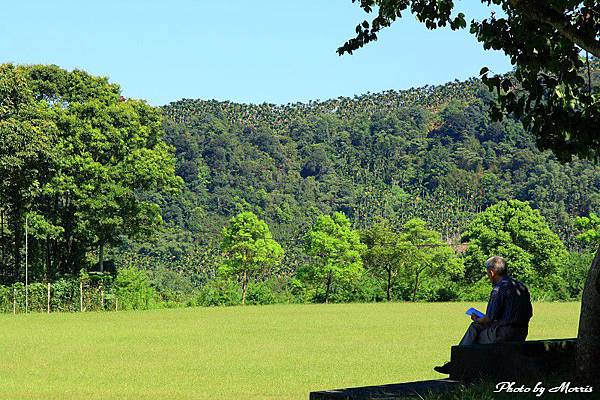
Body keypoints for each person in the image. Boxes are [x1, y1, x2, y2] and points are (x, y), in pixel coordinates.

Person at [434, 256, 533, 374]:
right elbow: (529, 313)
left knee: (474, 330)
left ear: (492, 272)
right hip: (521, 332)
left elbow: (488, 319)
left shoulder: (498, 289)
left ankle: (457, 365)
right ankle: (459, 364)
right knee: (476, 331)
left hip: (504, 334)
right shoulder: (521, 286)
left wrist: (476, 318)